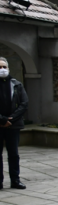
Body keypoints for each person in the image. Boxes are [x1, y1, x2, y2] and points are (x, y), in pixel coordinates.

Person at [0, 57, 28, 190]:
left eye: (4, 67)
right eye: (0, 67)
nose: (2, 69)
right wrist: (2, 119)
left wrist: (11, 119)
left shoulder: (16, 84)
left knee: (14, 153)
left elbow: (24, 103)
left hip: (13, 125)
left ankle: (15, 180)